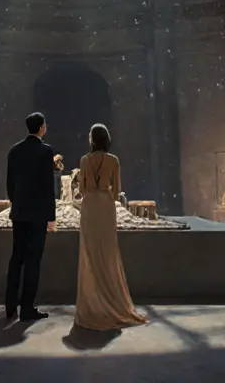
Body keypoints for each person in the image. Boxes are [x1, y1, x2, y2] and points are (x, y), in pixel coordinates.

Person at [74, 123, 147, 330]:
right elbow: (117, 192)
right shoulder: (114, 160)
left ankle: (92, 304)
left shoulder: (84, 160)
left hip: (89, 206)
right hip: (106, 205)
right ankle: (112, 301)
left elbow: (82, 189)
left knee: (90, 253)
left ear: (91, 139)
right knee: (107, 251)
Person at [5, 111, 57, 321]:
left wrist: (17, 202)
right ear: (42, 127)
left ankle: (10, 305)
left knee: (17, 257)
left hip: (19, 212)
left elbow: (10, 184)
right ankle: (27, 307)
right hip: (37, 214)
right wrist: (51, 215)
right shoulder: (46, 151)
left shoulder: (14, 150)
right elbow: (48, 187)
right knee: (33, 261)